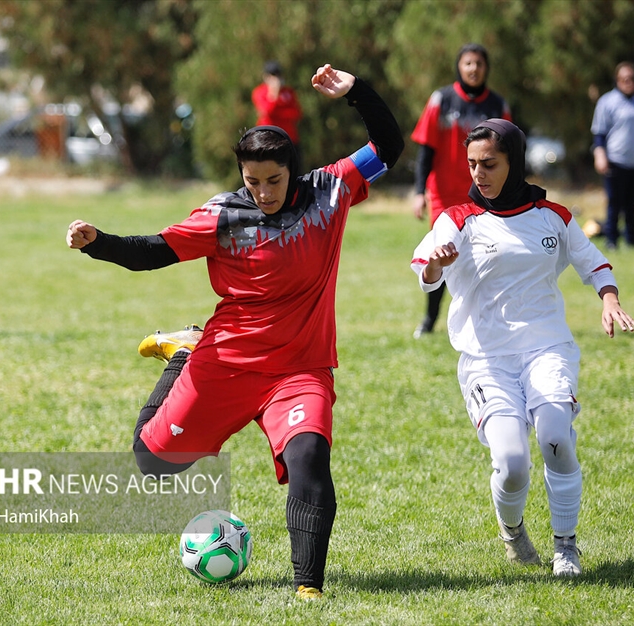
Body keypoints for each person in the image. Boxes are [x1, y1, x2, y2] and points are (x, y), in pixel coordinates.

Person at [66, 64, 403, 600]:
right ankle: (184, 352)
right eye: (253, 182)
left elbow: (388, 146)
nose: (264, 191)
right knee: (152, 464)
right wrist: (97, 240)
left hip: (299, 367)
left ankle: (307, 588)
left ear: (291, 169)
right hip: (227, 360)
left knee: (310, 456)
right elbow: (154, 250)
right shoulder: (222, 216)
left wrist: (358, 92)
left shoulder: (330, 191)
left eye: (274, 179)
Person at [410, 119, 634, 577]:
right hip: (486, 358)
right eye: (473, 164)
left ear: (513, 162)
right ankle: (513, 531)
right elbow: (425, 271)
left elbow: (593, 263)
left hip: (547, 347)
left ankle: (565, 546)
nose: (479, 173)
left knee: (555, 437)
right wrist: (435, 267)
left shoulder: (554, 216)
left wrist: (609, 299)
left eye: (490, 164)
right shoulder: (457, 220)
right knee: (512, 463)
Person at [410, 43, 512, 338]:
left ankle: (487, 317)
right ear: (460, 66)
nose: (474, 69)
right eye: (468, 63)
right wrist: (419, 192)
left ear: (486, 68)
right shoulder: (441, 100)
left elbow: (510, 154)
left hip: (484, 194)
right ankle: (429, 320)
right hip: (443, 195)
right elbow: (425, 150)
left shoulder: (498, 106)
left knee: (489, 255)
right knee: (440, 255)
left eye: (479, 64)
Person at [591, 61, 634, 250]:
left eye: (632, 79)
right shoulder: (607, 101)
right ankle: (611, 239)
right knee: (614, 202)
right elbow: (599, 133)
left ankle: (632, 240)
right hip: (616, 159)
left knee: (632, 203)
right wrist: (600, 155)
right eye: (624, 79)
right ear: (617, 80)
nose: (628, 82)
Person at [252, 60, 303, 150]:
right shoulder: (260, 92)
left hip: (289, 138)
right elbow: (266, 111)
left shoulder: (289, 92)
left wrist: (279, 114)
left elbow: (296, 113)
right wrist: (274, 93)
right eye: (272, 75)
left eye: (278, 75)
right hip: (268, 139)